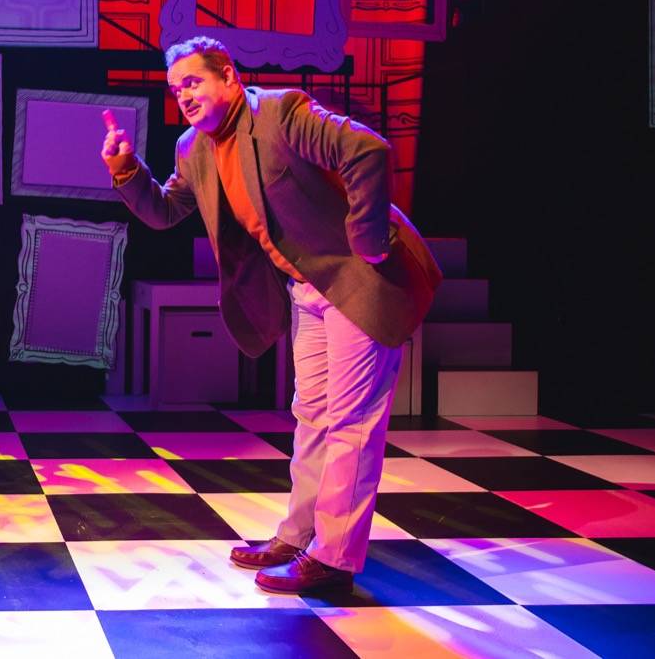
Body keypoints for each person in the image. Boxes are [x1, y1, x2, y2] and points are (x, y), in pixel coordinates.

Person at [101, 36, 441, 594]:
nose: (184, 95)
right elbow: (165, 211)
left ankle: (334, 559)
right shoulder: (194, 147)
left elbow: (368, 151)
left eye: (193, 81)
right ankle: (300, 536)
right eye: (176, 88)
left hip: (361, 281)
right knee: (313, 415)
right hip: (306, 290)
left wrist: (368, 238)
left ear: (228, 77)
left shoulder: (282, 113)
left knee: (351, 423)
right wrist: (125, 168)